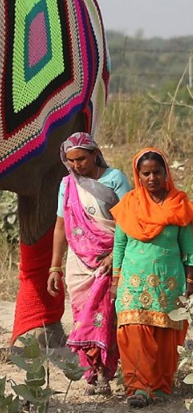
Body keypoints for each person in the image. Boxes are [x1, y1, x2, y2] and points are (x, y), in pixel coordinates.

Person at [46, 133, 130, 395]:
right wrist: (54, 267)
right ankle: (91, 371)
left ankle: (106, 372)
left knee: (105, 315)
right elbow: (61, 226)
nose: (76, 165)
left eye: (81, 158)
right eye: (71, 160)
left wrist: (113, 257)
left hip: (109, 259)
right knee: (82, 316)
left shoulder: (115, 179)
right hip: (78, 262)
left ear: (95, 154)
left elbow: (129, 222)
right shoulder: (67, 184)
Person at [110, 148, 193, 408]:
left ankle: (160, 386)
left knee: (165, 334)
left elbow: (189, 249)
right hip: (133, 282)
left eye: (157, 172)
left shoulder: (180, 204)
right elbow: (119, 246)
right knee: (132, 331)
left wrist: (190, 283)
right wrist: (115, 280)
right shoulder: (129, 205)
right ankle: (138, 388)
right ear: (138, 175)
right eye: (146, 173)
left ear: (166, 172)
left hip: (169, 282)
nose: (152, 177)